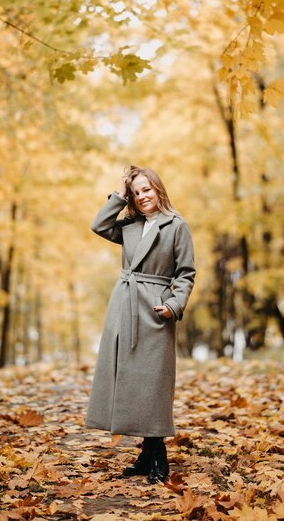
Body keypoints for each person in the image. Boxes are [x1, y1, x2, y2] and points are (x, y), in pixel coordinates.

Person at [85, 165, 196, 484]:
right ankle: (148, 454)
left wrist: (173, 306)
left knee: (153, 381)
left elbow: (186, 273)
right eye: (135, 192)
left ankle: (157, 453)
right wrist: (119, 195)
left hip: (155, 308)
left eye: (146, 189)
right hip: (124, 305)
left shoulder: (177, 226)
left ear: (158, 189)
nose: (142, 196)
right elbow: (98, 225)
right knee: (130, 378)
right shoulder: (129, 225)